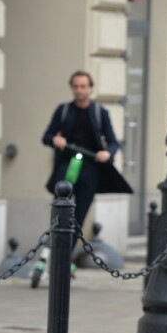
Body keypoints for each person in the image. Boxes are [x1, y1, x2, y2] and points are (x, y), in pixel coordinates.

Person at [41, 70, 132, 227]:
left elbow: (113, 142)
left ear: (90, 88)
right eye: (76, 86)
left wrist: (107, 153)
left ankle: (67, 250)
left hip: (90, 168)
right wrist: (55, 140)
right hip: (67, 165)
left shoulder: (100, 113)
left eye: (83, 86)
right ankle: (54, 249)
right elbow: (46, 137)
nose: (79, 90)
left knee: (79, 217)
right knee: (59, 212)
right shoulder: (63, 110)